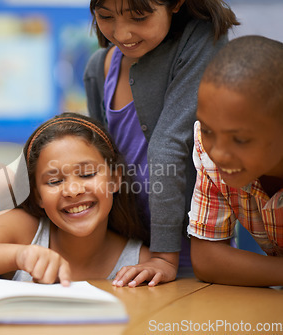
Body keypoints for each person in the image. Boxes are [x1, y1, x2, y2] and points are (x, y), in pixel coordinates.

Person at [83, 0, 239, 287]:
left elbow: (168, 143)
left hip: (188, 246)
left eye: (139, 18)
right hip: (126, 250)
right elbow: (100, 160)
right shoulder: (99, 66)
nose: (122, 34)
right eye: (106, 16)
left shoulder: (201, 40)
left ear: (176, 3)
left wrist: (164, 256)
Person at [0, 112, 151, 285]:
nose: (73, 190)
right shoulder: (24, 231)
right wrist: (18, 256)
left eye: (87, 174)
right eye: (54, 181)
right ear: (37, 195)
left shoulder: (141, 262)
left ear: (115, 179)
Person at [188, 35, 283, 286]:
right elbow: (208, 259)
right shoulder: (210, 154)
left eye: (240, 139)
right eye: (208, 130)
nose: (218, 153)